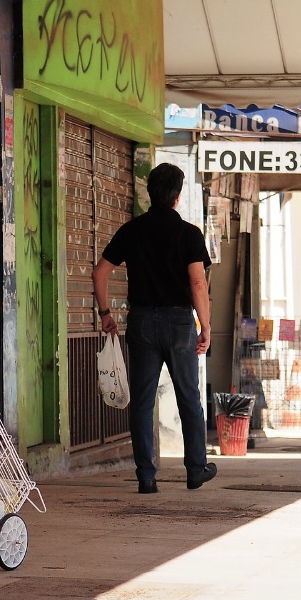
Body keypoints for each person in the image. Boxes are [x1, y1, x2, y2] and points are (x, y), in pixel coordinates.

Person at [92, 163, 216, 494]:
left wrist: (105, 313)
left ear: (149, 194)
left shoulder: (132, 230)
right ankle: (195, 470)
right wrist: (205, 326)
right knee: (189, 396)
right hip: (178, 322)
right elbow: (198, 283)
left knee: (143, 401)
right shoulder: (189, 234)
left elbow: (99, 272)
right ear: (177, 196)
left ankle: (146, 476)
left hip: (142, 321)